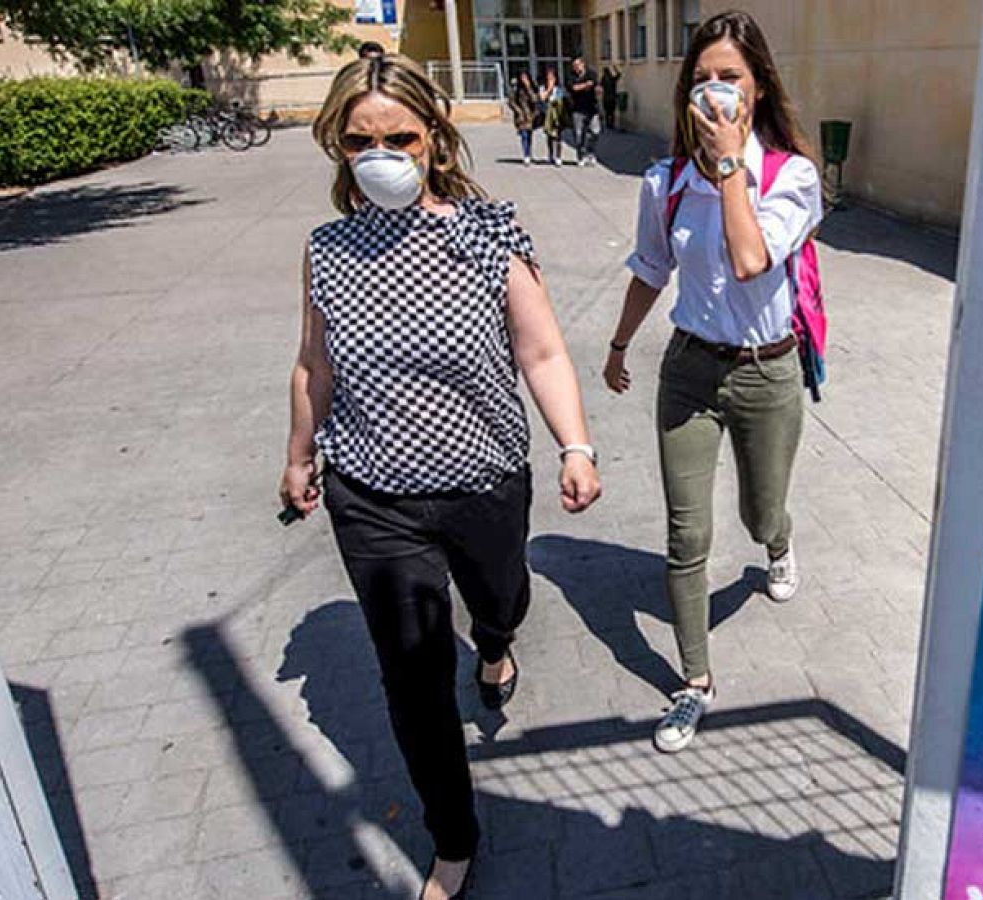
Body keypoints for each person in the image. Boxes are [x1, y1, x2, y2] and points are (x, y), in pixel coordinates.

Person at [283, 53, 601, 899]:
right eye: (360, 141)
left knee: (502, 599)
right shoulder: (328, 250)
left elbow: (541, 352)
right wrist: (299, 454)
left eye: (399, 138)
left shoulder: (490, 232)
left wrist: (575, 445)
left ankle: (494, 644)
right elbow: (314, 364)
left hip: (484, 482)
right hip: (372, 496)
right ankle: (453, 837)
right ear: (337, 146)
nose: (380, 155)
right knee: (412, 676)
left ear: (434, 138)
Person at [602, 10, 822, 754]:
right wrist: (619, 344)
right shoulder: (665, 181)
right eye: (701, 79)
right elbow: (650, 268)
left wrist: (730, 167)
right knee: (686, 534)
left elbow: (752, 260)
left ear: (758, 88)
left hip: (767, 374)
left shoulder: (791, 176)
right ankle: (693, 683)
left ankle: (778, 542)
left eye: (730, 76)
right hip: (690, 371)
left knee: (760, 513)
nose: (715, 91)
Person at [567, 57, 601, 166]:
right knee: (578, 135)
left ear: (583, 64)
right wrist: (586, 85)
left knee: (595, 132)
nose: (576, 68)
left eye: (578, 65)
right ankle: (580, 156)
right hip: (577, 109)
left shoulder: (591, 74)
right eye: (574, 66)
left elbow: (596, 86)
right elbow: (573, 88)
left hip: (592, 108)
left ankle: (590, 152)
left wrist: (598, 90)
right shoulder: (571, 76)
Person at [536, 65, 567, 166]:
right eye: (548, 77)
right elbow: (542, 98)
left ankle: (558, 156)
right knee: (549, 135)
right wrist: (549, 89)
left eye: (552, 77)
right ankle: (550, 154)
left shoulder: (559, 89)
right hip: (547, 115)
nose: (550, 79)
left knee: (558, 136)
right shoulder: (542, 88)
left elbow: (561, 101)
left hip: (557, 115)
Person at [508, 71, 539, 166]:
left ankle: (529, 152)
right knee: (524, 135)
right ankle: (526, 155)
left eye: (525, 77)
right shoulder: (516, 88)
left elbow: (535, 99)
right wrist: (518, 111)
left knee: (529, 136)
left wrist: (528, 87)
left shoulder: (533, 87)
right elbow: (511, 101)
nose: (523, 79)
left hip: (531, 115)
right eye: (522, 77)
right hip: (521, 116)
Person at [600, 65, 621, 130]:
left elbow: (600, 85)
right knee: (612, 112)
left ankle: (608, 124)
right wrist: (615, 69)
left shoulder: (603, 79)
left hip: (606, 98)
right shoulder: (612, 79)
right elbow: (619, 75)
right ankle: (611, 124)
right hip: (612, 98)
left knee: (607, 112)